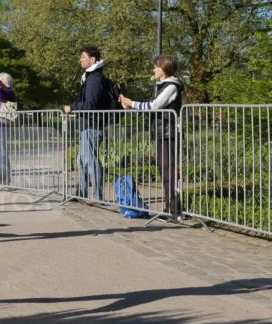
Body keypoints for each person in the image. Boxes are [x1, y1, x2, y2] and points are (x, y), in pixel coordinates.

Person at [119, 55, 183, 218]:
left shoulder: (171, 87)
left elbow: (153, 106)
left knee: (169, 171)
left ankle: (175, 211)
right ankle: (170, 208)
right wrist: (132, 107)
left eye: (155, 67)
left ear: (163, 69)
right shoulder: (162, 86)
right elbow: (150, 106)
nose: (153, 70)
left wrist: (131, 103)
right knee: (165, 170)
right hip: (162, 133)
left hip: (169, 134)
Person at [63, 46, 113, 201]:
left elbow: (90, 105)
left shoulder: (94, 79)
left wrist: (72, 108)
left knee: (90, 160)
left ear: (93, 60)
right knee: (81, 160)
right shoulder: (89, 78)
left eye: (83, 57)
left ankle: (97, 196)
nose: (80, 59)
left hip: (93, 125)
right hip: (88, 125)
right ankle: (81, 192)